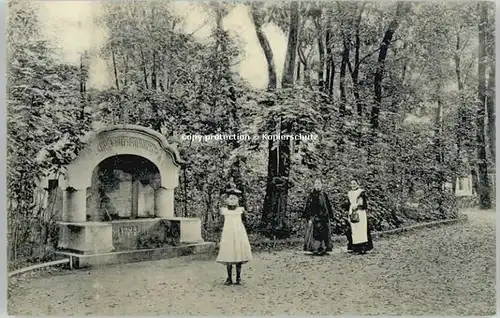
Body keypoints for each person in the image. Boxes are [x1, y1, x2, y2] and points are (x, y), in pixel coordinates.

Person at [216, 187, 252, 285]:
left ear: (238, 200)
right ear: (227, 200)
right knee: (229, 255)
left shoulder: (240, 210)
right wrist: (219, 235)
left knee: (239, 254)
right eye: (230, 199)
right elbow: (220, 224)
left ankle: (238, 277)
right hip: (228, 235)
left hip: (238, 234)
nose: (232, 201)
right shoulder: (224, 211)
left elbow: (244, 222)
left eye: (234, 199)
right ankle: (229, 278)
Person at [302, 178, 334, 256]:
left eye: (319, 183)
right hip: (315, 217)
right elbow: (308, 207)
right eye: (316, 183)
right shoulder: (311, 195)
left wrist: (330, 215)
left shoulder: (324, 194)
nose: (318, 185)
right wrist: (309, 217)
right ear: (314, 185)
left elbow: (328, 206)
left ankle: (323, 248)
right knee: (315, 233)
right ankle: (315, 249)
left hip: (324, 217)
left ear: (321, 185)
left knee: (324, 233)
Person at [344, 180, 373, 254]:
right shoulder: (349, 193)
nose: (353, 185)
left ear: (357, 184)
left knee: (361, 230)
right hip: (352, 212)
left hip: (360, 212)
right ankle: (355, 247)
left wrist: (357, 206)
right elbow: (348, 203)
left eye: (354, 184)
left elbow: (364, 204)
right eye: (352, 184)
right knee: (354, 230)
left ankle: (363, 247)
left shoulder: (361, 192)